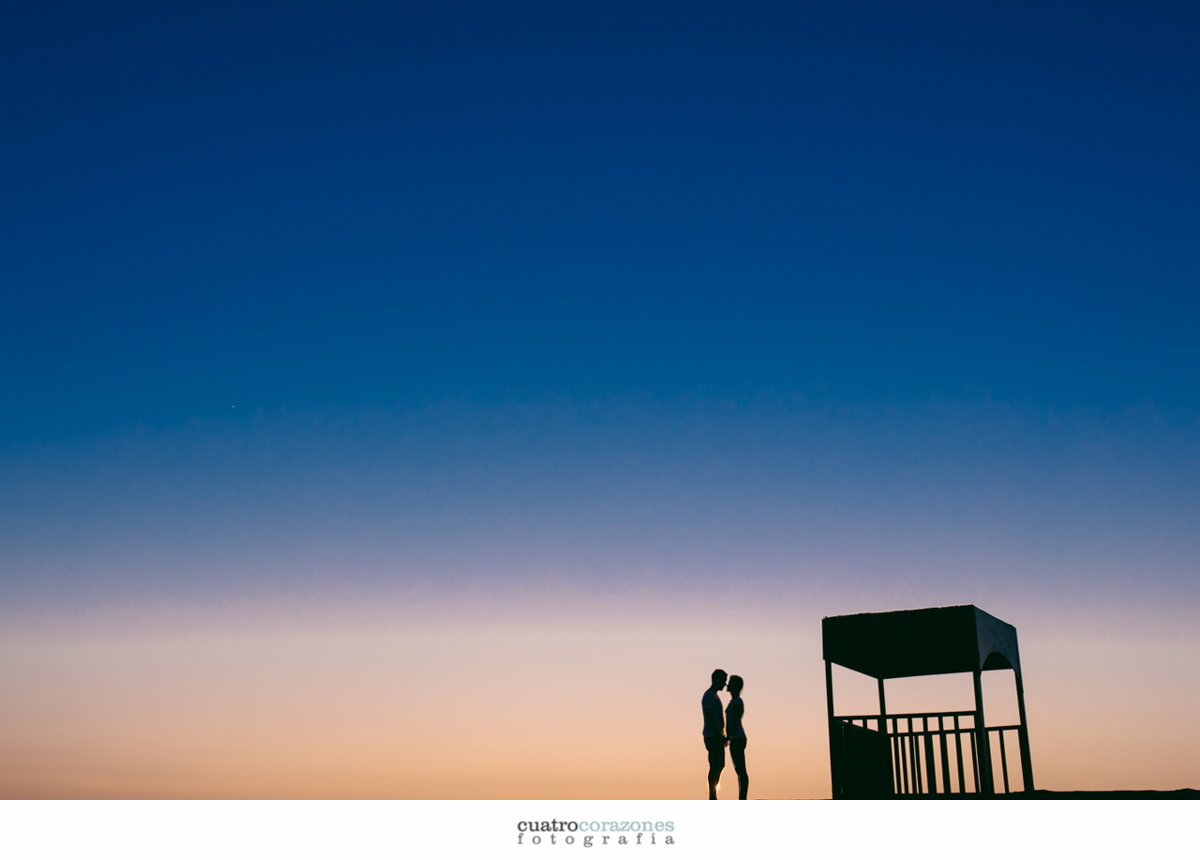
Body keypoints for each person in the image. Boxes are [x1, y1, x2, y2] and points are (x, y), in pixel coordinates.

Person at [701, 668, 727, 799]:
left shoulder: (714, 696)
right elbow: (710, 717)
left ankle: (713, 793)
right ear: (717, 680)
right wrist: (718, 735)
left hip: (716, 735)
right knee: (715, 764)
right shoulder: (709, 696)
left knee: (719, 764)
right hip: (712, 736)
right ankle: (712, 795)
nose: (725, 684)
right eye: (723, 681)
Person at [725, 674, 749, 800]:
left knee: (741, 769)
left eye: (729, 682)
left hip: (737, 738)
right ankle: (742, 796)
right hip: (736, 737)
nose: (727, 684)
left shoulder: (737, 702)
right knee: (739, 770)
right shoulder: (734, 702)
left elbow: (733, 722)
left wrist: (727, 737)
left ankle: (742, 797)